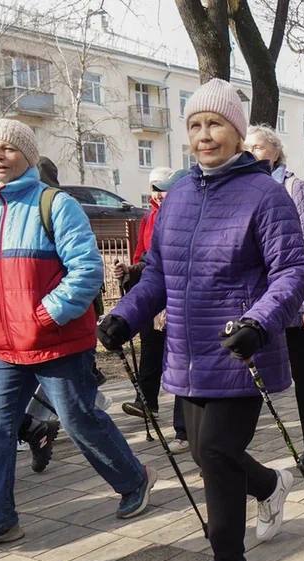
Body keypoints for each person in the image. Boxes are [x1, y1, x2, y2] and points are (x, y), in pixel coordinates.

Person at [100, 79, 304, 561]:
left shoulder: (265, 193)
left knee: (215, 451)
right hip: (187, 352)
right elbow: (158, 277)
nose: (203, 135)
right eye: (194, 125)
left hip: (242, 350)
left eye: (214, 124)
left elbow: (293, 271)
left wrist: (260, 323)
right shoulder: (180, 195)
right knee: (203, 449)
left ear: (238, 133)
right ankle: (270, 483)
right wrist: (126, 315)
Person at [0, 118, 156, 555]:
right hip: (3, 346)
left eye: (9, 149)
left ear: (26, 154)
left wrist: (44, 315)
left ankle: (134, 479)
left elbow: (87, 271)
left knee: (80, 420)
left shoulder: (56, 204)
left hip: (56, 340)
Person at [246, 124, 304, 468]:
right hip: (264, 303)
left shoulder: (294, 187)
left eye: (258, 147)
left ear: (275, 151)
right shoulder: (248, 188)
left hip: (296, 301)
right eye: (247, 148)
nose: (252, 153)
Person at [113, 167, 190, 451]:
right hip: (157, 298)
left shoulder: (190, 221)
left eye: (164, 188)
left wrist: (170, 303)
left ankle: (185, 430)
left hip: (185, 308)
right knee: (154, 351)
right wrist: (130, 272)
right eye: (155, 188)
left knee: (183, 363)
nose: (158, 194)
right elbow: (151, 263)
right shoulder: (154, 218)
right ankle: (149, 403)